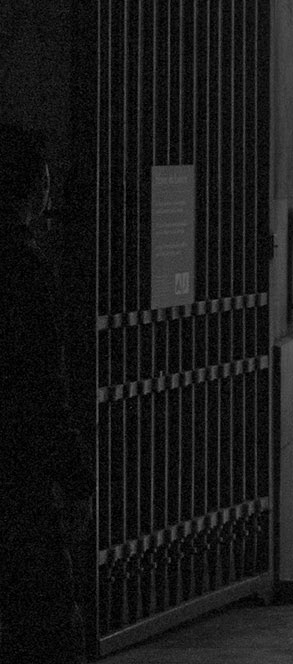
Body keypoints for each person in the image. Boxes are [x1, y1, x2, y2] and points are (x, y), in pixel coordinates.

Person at [0, 125, 90, 663]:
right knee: (43, 621)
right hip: (19, 471)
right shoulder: (25, 268)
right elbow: (43, 384)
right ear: (33, 188)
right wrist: (74, 476)